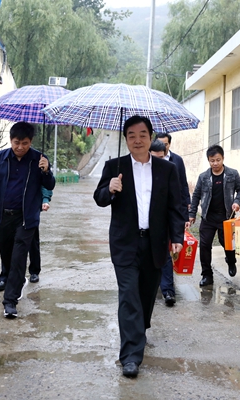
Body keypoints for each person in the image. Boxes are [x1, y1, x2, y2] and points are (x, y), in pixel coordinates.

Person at [94, 115, 185, 378]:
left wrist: (177, 237)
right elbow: (99, 198)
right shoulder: (115, 166)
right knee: (129, 296)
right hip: (125, 243)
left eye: (142, 134)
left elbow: (175, 206)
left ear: (151, 137)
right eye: (131, 135)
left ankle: (138, 329)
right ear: (125, 139)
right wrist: (110, 189)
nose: (137, 140)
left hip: (155, 242)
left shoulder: (167, 169)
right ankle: (131, 356)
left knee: (146, 295)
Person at [0, 121, 56, 318]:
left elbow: (50, 185)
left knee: (18, 257)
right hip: (3, 216)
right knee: (6, 255)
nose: (20, 147)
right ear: (11, 140)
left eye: (25, 143)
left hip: (25, 218)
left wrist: (46, 171)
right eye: (17, 142)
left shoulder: (39, 159)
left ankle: (10, 301)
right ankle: (14, 280)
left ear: (30, 142)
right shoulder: (0, 157)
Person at [189, 144, 240, 287]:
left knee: (227, 244)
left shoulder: (232, 174)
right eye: (212, 160)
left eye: (218, 160)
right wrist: (192, 214)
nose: (215, 163)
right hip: (208, 217)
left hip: (226, 217)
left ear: (223, 158)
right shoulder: (204, 177)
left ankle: (231, 261)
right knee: (205, 245)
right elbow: (196, 196)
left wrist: (237, 202)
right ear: (208, 160)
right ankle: (207, 275)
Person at [155, 133, 191, 306]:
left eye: (165, 144)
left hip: (167, 215)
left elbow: (182, 186)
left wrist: (185, 213)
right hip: (147, 219)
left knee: (165, 253)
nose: (163, 147)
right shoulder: (144, 164)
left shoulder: (176, 161)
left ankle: (168, 291)